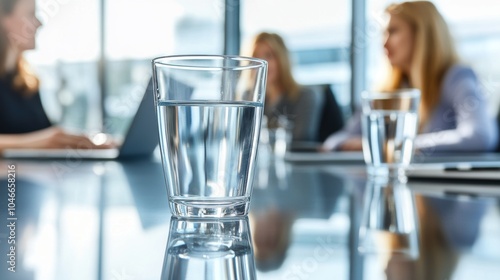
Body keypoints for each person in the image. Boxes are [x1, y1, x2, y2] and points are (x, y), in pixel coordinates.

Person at [322, 1, 498, 153]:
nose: (384, 42)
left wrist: (395, 145)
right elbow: (334, 141)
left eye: (394, 31)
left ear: (422, 34)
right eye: (384, 33)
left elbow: (480, 135)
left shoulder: (455, 77)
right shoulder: (389, 90)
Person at [0, 0, 106, 153]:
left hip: (38, 174)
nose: (39, 23)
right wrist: (41, 141)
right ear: (4, 19)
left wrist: (90, 143)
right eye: (31, 14)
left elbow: (47, 135)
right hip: (10, 175)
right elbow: (46, 139)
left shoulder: (26, 82)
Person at [247, 32, 323, 142]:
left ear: (282, 59)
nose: (262, 62)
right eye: (255, 56)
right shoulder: (249, 98)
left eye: (269, 55)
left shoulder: (305, 96)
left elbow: (300, 140)